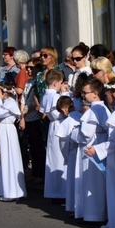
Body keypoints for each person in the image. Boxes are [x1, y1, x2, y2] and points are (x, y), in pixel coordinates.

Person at [93, 74, 115, 228]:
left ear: (113, 94)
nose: (106, 98)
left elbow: (114, 141)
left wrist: (97, 149)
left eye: (106, 95)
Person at [78, 78, 111, 223]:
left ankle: (94, 214)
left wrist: (75, 135)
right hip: (101, 144)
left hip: (94, 146)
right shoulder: (103, 108)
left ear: (95, 93)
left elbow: (86, 133)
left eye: (85, 93)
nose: (83, 96)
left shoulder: (95, 109)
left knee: (94, 181)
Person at [0, 82, 27, 202]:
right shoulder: (6, 102)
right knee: (3, 159)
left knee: (9, 159)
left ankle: (12, 191)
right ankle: (5, 189)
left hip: (7, 131)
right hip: (3, 130)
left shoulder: (10, 103)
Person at [42, 71, 68, 201]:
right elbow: (63, 110)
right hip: (59, 125)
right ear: (55, 83)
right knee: (60, 158)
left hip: (52, 126)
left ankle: (54, 190)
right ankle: (60, 191)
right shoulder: (55, 97)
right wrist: (64, 93)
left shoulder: (45, 95)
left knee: (53, 158)